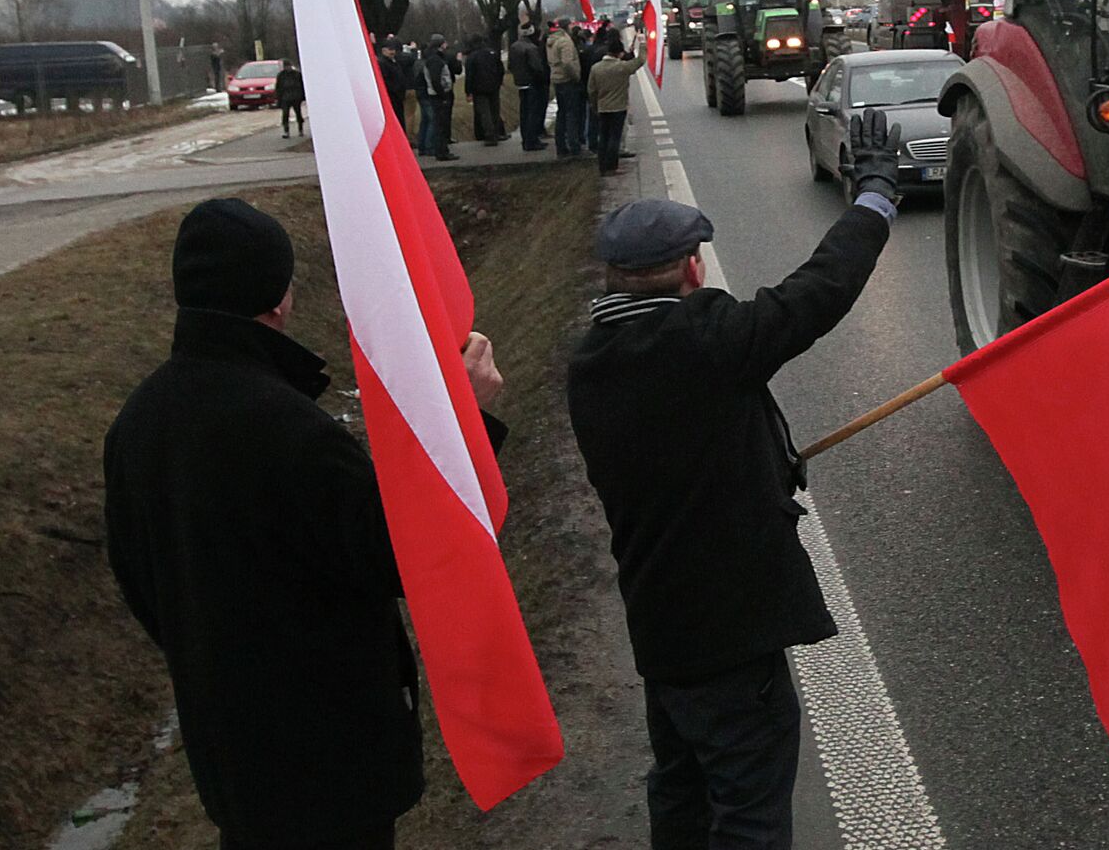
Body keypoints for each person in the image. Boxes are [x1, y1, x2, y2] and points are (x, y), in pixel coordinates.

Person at [104, 198, 509, 850]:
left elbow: (140, 581)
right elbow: (404, 557)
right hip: (329, 766)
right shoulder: (289, 431)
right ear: (278, 298)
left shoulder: (137, 424)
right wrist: (466, 421)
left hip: (231, 758)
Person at [566, 111, 902, 850]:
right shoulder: (708, 344)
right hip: (731, 640)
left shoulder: (591, 366)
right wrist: (875, 198)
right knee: (748, 811)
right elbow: (820, 289)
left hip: (660, 628)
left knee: (682, 791)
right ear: (692, 268)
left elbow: (680, 447)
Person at [585, 37, 644, 177]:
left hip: (602, 108)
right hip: (618, 108)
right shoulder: (622, 67)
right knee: (614, 138)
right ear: (619, 53)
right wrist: (643, 45)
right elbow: (640, 61)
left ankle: (602, 167)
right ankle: (612, 167)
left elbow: (591, 90)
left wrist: (595, 105)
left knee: (603, 137)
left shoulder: (595, 68)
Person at [546, 18, 587, 158]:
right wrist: (576, 76)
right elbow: (568, 62)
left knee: (561, 113)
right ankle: (574, 146)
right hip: (568, 80)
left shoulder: (551, 40)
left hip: (557, 79)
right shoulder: (565, 41)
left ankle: (561, 146)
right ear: (567, 27)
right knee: (571, 114)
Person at [417, 35, 460, 162]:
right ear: (440, 45)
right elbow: (436, 79)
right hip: (438, 96)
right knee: (440, 124)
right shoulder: (435, 60)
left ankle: (440, 149)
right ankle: (441, 151)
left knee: (438, 123)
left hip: (436, 95)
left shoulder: (432, 58)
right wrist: (442, 94)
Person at [509, 23, 550, 152]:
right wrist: (543, 79)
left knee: (524, 113)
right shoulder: (531, 48)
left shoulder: (514, 46)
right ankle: (532, 140)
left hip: (520, 83)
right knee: (533, 113)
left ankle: (525, 139)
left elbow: (510, 65)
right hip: (532, 84)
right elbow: (537, 68)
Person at [462, 34, 507, 147]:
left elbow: (469, 76)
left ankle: (490, 135)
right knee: (495, 110)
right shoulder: (492, 53)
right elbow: (501, 69)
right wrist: (499, 82)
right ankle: (497, 133)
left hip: (479, 88)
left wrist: (468, 91)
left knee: (484, 112)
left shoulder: (472, 57)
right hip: (494, 86)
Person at [376, 41, 408, 136]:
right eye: (390, 50)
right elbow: (385, 81)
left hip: (398, 96)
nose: (393, 52)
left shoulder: (394, 62)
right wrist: (395, 90)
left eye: (393, 50)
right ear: (383, 50)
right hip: (392, 96)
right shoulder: (383, 63)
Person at [275, 59, 307, 139]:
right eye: (285, 66)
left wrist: (303, 97)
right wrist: (279, 99)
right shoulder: (281, 75)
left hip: (296, 97)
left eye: (288, 66)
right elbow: (278, 88)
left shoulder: (297, 74)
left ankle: (300, 129)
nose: (287, 68)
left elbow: (302, 86)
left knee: (298, 114)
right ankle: (286, 131)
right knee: (285, 114)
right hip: (285, 98)